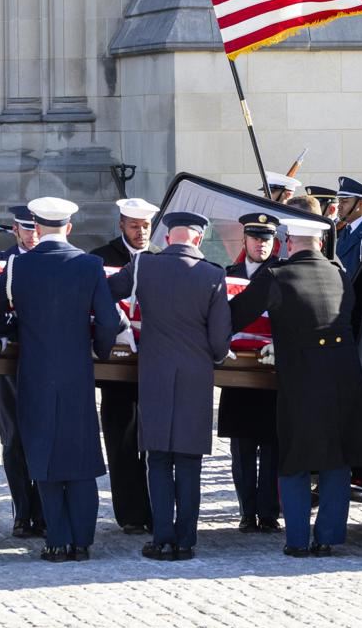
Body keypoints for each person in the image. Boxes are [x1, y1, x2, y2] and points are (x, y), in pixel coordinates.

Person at [0, 197, 121, 561]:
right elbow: (108, 321)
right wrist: (99, 349)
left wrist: (13, 330)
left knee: (43, 453)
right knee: (80, 452)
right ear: (69, 228)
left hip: (35, 371)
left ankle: (56, 539)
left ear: (36, 228)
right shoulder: (90, 265)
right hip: (77, 372)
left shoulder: (18, 266)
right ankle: (83, 540)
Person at [228, 214, 362, 557]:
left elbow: (235, 314)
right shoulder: (340, 274)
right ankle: (328, 537)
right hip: (344, 379)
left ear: (288, 242)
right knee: (337, 458)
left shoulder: (277, 275)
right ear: (320, 243)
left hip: (302, 380)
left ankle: (296, 540)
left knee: (294, 457)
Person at [132, 211, 231, 562]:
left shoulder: (144, 266)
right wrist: (214, 356)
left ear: (169, 236)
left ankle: (162, 539)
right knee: (189, 461)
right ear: (198, 239)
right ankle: (186, 539)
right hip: (195, 377)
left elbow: (111, 294)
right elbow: (220, 341)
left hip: (155, 374)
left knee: (157, 458)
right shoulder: (213, 274)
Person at [94, 196, 158, 534]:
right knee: (121, 443)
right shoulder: (102, 259)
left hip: (154, 367)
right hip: (116, 371)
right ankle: (131, 514)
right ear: (121, 225)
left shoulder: (161, 258)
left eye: (146, 226)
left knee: (155, 445)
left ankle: (156, 508)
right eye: (134, 226)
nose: (141, 232)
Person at [0, 205, 46, 538]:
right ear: (15, 230)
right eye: (27, 228)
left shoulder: (52, 260)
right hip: (11, 362)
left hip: (44, 361)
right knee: (14, 439)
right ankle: (23, 511)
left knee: (45, 435)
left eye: (38, 228)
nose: (33, 234)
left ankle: (45, 510)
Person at [221, 212, 281, 533]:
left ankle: (268, 512)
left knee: (272, 447)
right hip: (238, 375)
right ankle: (247, 511)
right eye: (256, 238)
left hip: (270, 375)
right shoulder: (228, 275)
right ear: (244, 240)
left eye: (267, 238)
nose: (262, 244)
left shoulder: (283, 275)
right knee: (242, 448)